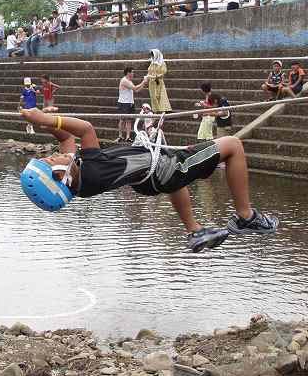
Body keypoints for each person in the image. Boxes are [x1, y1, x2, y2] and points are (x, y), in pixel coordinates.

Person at [18, 107, 279, 252]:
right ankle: (246, 217)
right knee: (233, 145)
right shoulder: (91, 170)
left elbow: (66, 140)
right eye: (50, 161)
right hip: (167, 168)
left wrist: (45, 123)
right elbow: (85, 129)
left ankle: (195, 231)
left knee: (175, 183)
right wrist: (48, 118)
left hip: (151, 179)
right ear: (59, 176)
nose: (52, 156)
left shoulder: (78, 179)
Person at [117, 66, 148, 142]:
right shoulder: (124, 80)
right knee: (122, 120)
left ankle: (128, 137)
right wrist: (143, 81)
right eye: (132, 72)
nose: (133, 73)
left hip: (130, 102)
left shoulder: (129, 81)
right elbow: (134, 88)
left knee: (129, 120)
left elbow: (137, 90)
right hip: (123, 103)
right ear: (128, 73)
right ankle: (120, 136)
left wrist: (144, 84)